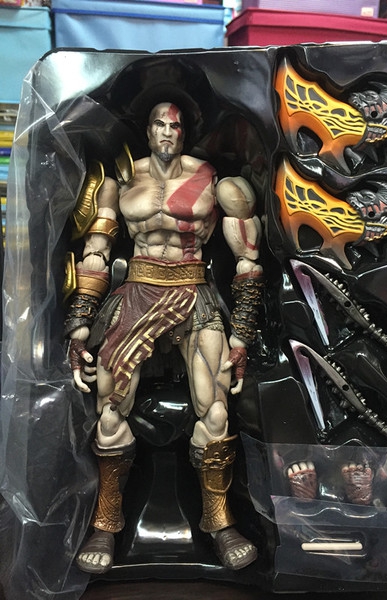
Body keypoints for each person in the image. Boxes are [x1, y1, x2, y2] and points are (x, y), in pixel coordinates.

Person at [64, 101, 263, 575]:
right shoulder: (119, 179)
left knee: (215, 407)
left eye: (175, 125)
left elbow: (248, 260)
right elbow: (96, 249)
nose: (167, 132)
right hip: (137, 289)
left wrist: (240, 336)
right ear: (147, 130)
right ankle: (106, 523)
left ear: (184, 130)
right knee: (109, 406)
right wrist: (81, 322)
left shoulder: (214, 181)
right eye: (159, 124)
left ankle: (220, 522)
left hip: (193, 290)